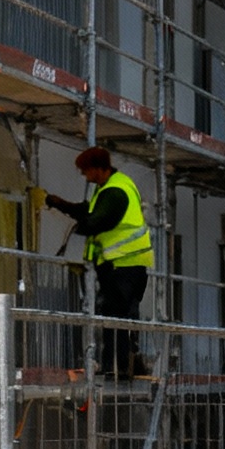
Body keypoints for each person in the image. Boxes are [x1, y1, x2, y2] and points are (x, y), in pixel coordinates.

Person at [46, 146, 152, 378]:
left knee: (116, 318)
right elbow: (89, 211)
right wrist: (60, 204)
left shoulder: (114, 192)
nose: (85, 176)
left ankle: (118, 368)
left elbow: (95, 221)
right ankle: (120, 366)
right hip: (126, 266)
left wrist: (69, 228)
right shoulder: (112, 186)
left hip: (123, 266)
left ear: (97, 168)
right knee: (119, 318)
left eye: (86, 171)